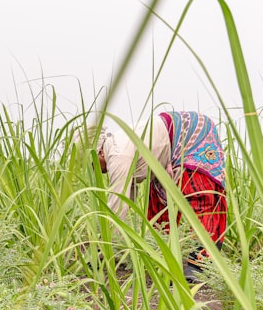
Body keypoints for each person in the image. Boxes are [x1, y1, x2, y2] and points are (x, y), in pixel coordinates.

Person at [96, 110, 226, 281]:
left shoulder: (118, 154)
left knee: (202, 193)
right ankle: (162, 255)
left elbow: (118, 204)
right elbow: (128, 198)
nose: (93, 169)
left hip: (192, 135)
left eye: (91, 163)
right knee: (158, 204)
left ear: (99, 152)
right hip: (166, 155)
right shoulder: (116, 150)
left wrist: (101, 248)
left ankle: (201, 264)